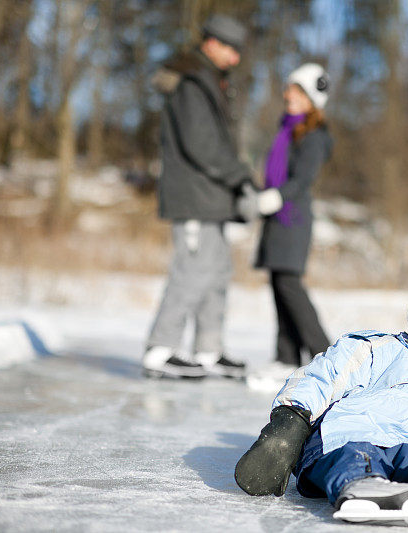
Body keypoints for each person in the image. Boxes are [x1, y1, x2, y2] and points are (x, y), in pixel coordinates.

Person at [234, 277, 408, 529]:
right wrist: (292, 419)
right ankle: (361, 485)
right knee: (357, 452)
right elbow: (325, 375)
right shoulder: (384, 349)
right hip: (352, 433)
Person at [143, 14, 251, 379]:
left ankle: (208, 350)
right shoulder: (193, 84)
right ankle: (160, 349)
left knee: (217, 272)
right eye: (231, 50)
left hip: (212, 196)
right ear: (212, 43)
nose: (236, 59)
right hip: (193, 195)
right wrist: (241, 178)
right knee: (191, 272)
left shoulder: (212, 82)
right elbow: (201, 144)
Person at [238, 63, 333, 391]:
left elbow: (302, 179)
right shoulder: (286, 129)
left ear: (310, 98)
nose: (287, 94)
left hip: (292, 217)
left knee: (290, 285)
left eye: (295, 89)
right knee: (279, 284)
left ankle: (325, 354)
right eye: (289, 88)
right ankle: (287, 356)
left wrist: (275, 197)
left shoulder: (315, 135)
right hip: (278, 218)